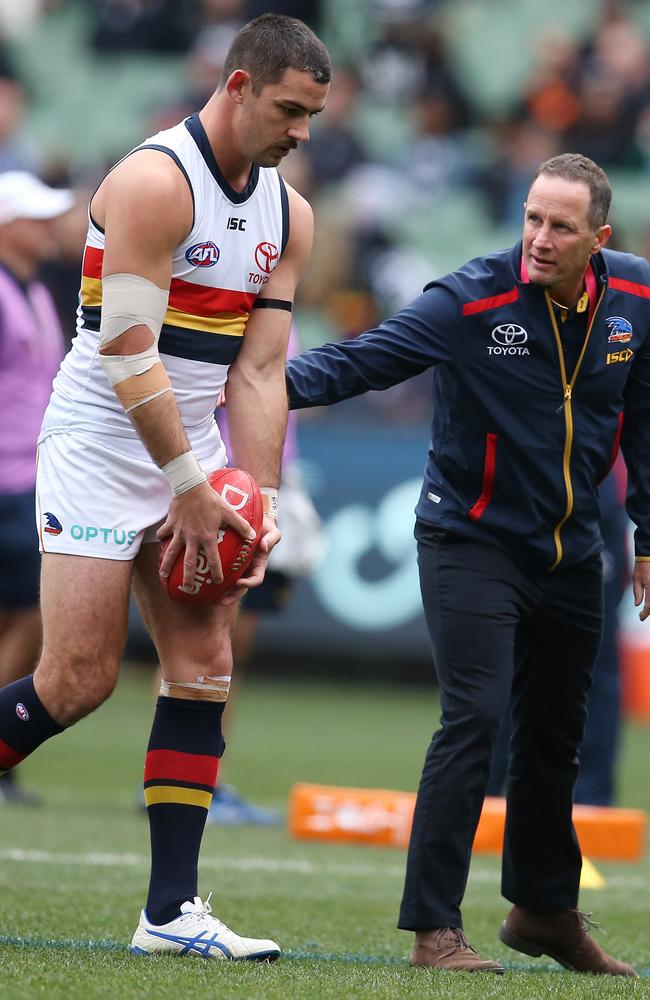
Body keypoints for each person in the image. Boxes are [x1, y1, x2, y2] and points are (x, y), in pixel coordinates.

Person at [0, 14, 330, 962]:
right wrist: (189, 480)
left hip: (195, 449)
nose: (302, 132)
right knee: (78, 679)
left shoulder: (288, 213)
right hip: (105, 440)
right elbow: (125, 347)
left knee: (204, 665)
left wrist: (253, 496)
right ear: (237, 88)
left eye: (314, 115)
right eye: (290, 110)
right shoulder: (152, 181)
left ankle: (171, 914)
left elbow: (261, 372)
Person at [286, 153, 648, 976]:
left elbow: (644, 421)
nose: (539, 239)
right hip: (470, 541)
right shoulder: (471, 298)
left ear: (600, 236)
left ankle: (544, 911)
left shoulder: (637, 297)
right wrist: (250, 380)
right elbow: (358, 361)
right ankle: (434, 930)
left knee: (557, 737)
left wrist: (648, 535)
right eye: (531, 218)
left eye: (560, 226)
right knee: (475, 717)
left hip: (572, 549)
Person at [0, 171, 73, 805]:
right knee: (29, 615)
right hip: (8, 478)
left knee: (27, 615)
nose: (48, 226)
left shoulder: (37, 292)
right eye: (35, 216)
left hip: (28, 473)